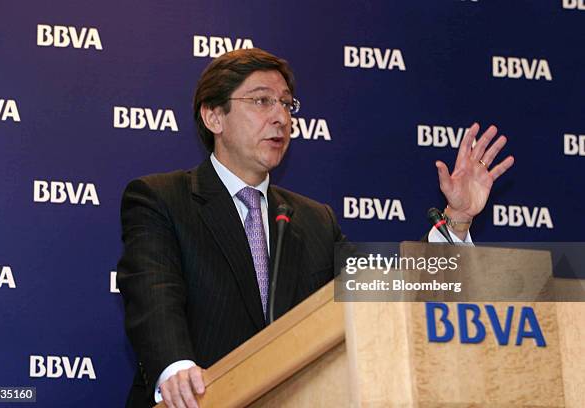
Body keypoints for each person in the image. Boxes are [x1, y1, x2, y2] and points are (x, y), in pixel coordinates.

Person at [117, 48, 514, 408]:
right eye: (261, 101)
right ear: (213, 115)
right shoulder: (161, 198)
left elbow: (385, 292)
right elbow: (154, 292)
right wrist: (176, 368)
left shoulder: (312, 220)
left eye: (287, 105)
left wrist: (456, 220)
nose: (281, 117)